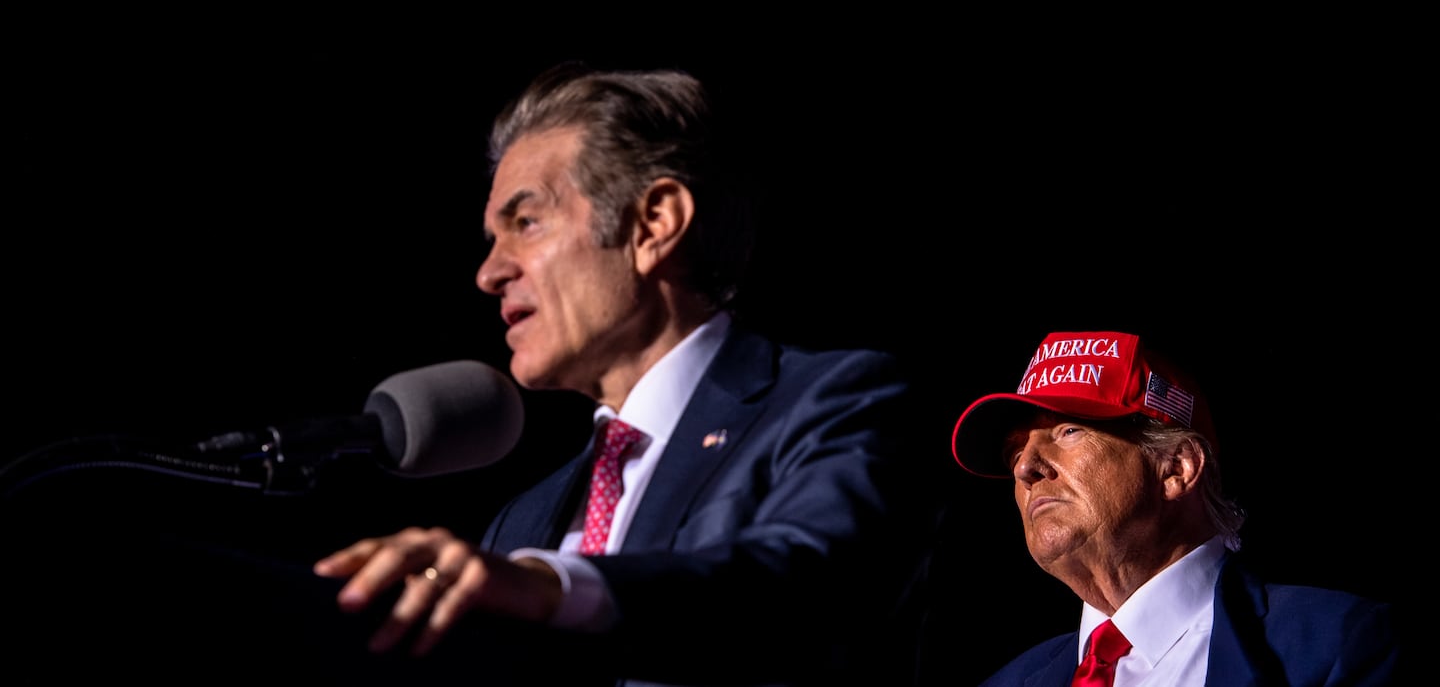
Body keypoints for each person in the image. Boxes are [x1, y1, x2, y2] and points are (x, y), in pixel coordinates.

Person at [310, 62, 943, 686]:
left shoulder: (838, 401)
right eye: (491, 237)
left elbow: (807, 591)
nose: (489, 273)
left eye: (525, 223)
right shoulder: (522, 523)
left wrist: (554, 587)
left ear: (653, 224)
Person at [948, 330, 1399, 686]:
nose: (1026, 466)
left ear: (1177, 468)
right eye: (1014, 452)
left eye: (1068, 431)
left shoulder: (1338, 644)